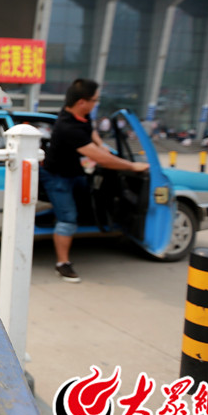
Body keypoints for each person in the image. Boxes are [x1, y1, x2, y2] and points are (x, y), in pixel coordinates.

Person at [40, 79, 149, 283]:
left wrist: (101, 144)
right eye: (95, 100)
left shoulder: (78, 114)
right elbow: (102, 160)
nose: (96, 104)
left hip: (74, 172)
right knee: (67, 218)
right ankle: (62, 263)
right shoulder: (67, 126)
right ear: (82, 102)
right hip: (56, 176)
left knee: (89, 198)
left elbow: (90, 131)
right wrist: (132, 166)